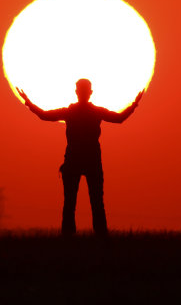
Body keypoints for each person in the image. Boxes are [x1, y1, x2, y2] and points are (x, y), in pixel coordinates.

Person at [17, 79, 143, 235]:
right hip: (87, 161)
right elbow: (120, 118)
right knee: (94, 203)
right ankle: (99, 240)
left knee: (72, 204)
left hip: (78, 161)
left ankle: (72, 241)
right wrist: (135, 104)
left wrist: (28, 102)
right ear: (89, 93)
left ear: (78, 92)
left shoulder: (72, 112)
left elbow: (43, 115)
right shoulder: (93, 112)